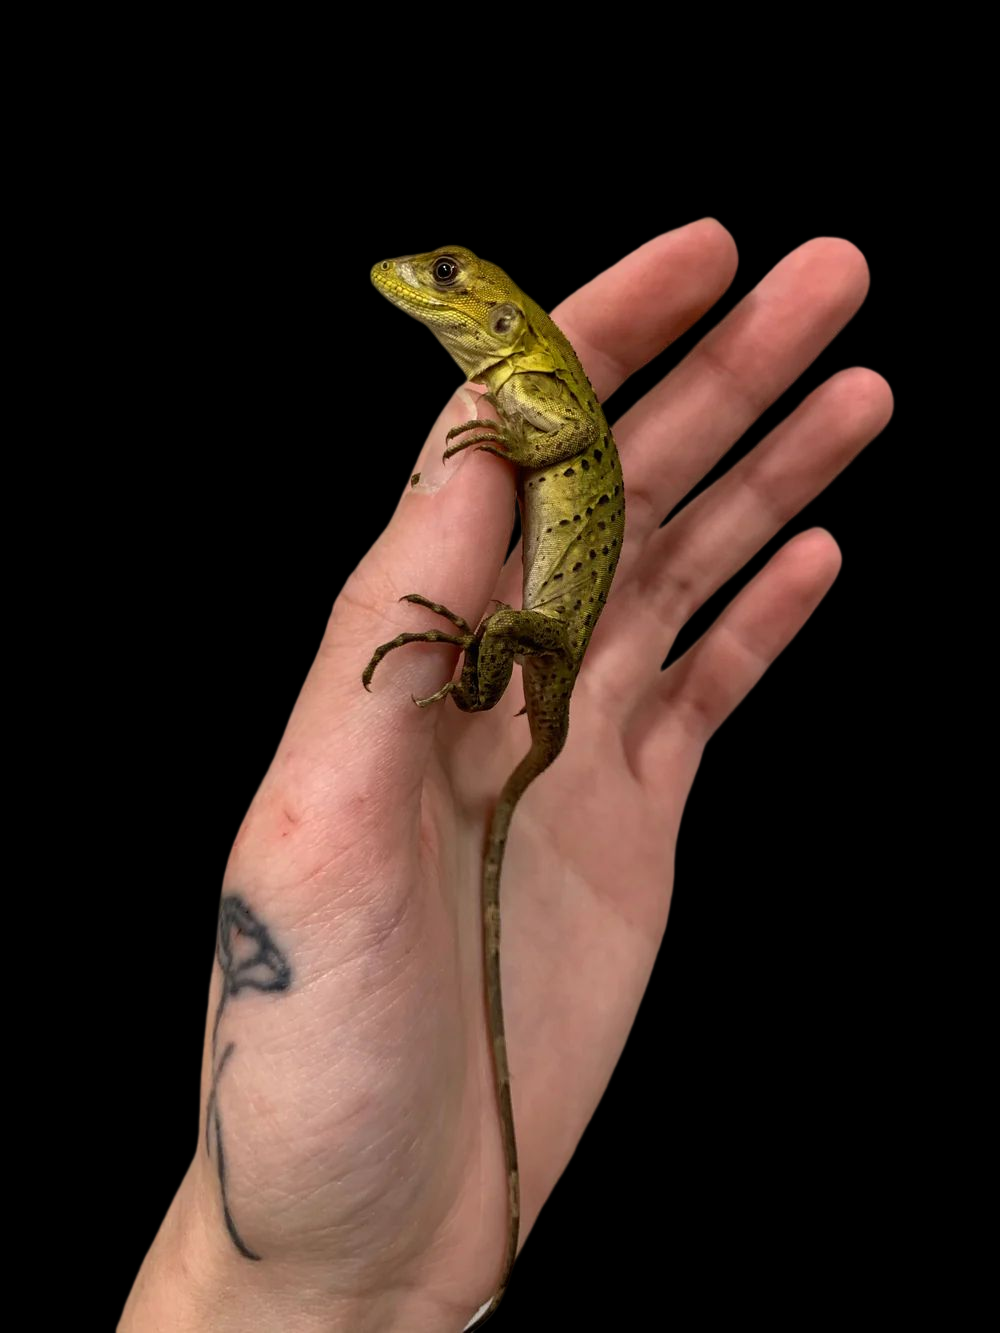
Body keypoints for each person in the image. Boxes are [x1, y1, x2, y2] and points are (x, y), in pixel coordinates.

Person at [119, 220, 892, 1332]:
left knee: (508, 651)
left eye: (445, 277)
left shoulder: (541, 390)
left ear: (495, 313)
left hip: (550, 626)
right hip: (546, 622)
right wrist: (305, 1287)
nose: (422, 284)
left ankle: (478, 673)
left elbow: (567, 431)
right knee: (503, 674)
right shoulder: (522, 381)